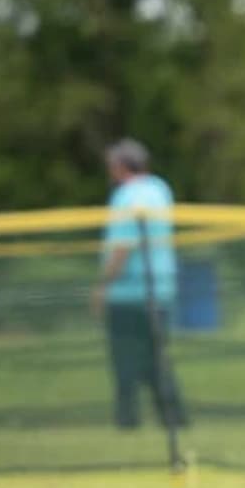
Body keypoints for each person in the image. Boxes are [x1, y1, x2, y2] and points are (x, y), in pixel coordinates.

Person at [93, 138, 189, 432]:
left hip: (128, 293)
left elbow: (122, 247)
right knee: (156, 357)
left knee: (125, 360)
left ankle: (127, 421)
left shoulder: (126, 196)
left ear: (121, 166)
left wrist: (103, 285)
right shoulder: (161, 190)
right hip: (161, 290)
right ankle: (173, 418)